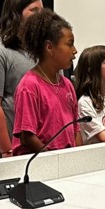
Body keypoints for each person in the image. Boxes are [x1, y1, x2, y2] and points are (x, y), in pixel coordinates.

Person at [0, 0, 44, 159]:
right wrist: (6, 150)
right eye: (33, 10)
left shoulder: (44, 50)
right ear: (16, 14)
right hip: (11, 147)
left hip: (40, 143)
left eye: (42, 10)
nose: (40, 16)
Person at [12, 8, 80, 155]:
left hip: (64, 163)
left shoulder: (67, 85)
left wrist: (77, 158)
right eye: (70, 44)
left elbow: (75, 130)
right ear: (49, 47)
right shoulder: (29, 86)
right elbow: (27, 137)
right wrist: (53, 161)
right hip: (40, 164)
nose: (75, 50)